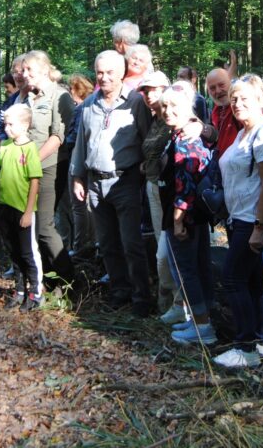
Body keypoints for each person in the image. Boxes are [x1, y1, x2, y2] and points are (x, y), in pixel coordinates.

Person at [70, 50, 153, 316]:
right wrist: (77, 176)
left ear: (122, 73)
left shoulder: (135, 102)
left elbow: (147, 139)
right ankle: (120, 291)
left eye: (110, 73)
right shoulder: (89, 104)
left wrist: (145, 169)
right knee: (106, 243)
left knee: (131, 243)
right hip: (95, 183)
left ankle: (142, 296)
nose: (103, 77)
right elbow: (82, 142)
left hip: (125, 180)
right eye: (99, 72)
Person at [207, 65, 263, 359]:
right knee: (252, 279)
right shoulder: (244, 132)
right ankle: (262, 341)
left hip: (255, 219)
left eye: (244, 99)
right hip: (241, 218)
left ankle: (245, 347)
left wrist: (259, 227)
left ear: (260, 100)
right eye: (234, 99)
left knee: (233, 278)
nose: (237, 104)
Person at [157, 82, 215, 345]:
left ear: (189, 109)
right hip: (193, 218)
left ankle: (203, 328)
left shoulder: (187, 139)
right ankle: (200, 319)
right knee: (197, 268)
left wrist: (179, 221)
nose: (167, 111)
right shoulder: (180, 134)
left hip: (185, 219)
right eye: (164, 106)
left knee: (187, 271)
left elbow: (186, 183)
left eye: (174, 107)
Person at [21, 51, 76, 285]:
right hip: (26, 169)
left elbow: (57, 138)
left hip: (50, 167)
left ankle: (69, 281)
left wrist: (31, 162)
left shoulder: (59, 96)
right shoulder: (28, 97)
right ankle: (45, 279)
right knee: (31, 225)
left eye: (29, 70)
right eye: (23, 70)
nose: (24, 75)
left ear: (44, 70)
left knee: (44, 226)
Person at [138, 71, 183, 319]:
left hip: (173, 192)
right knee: (161, 247)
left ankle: (180, 304)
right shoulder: (155, 118)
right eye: (145, 91)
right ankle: (167, 304)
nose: (149, 95)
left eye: (154, 89)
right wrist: (147, 164)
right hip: (153, 186)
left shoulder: (176, 113)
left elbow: (200, 130)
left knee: (169, 251)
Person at [0, 104, 44, 310]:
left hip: (23, 210)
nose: (7, 128)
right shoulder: (5, 146)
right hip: (4, 207)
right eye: (5, 124)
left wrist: (28, 212)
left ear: (25, 125)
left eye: (12, 124)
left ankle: (35, 291)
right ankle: (20, 289)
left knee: (27, 252)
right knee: (13, 251)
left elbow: (34, 181)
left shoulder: (30, 148)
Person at [58, 74, 95, 257]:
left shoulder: (82, 108)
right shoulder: (87, 106)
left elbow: (74, 137)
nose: (69, 92)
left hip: (77, 157)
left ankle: (80, 246)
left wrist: (62, 143)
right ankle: (86, 243)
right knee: (83, 204)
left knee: (78, 205)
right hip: (84, 157)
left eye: (71, 89)